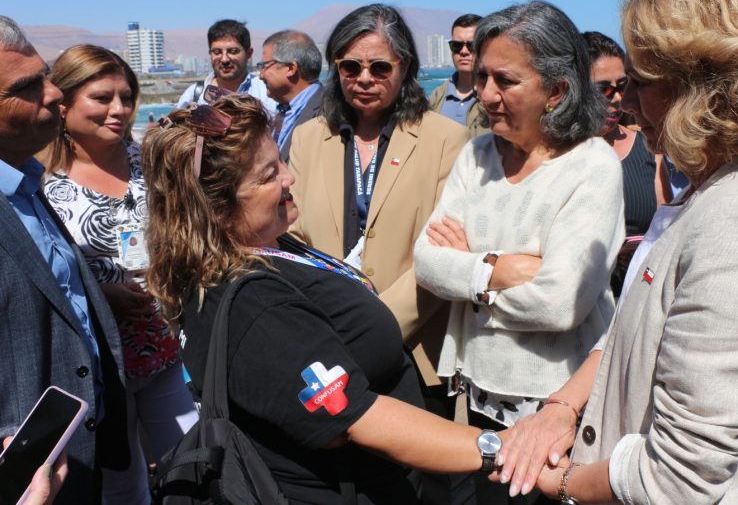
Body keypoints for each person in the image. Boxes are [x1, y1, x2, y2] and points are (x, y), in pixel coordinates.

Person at [496, 0, 738, 504]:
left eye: (641, 83)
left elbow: (681, 473)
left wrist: (560, 482)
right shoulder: (712, 192)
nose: (627, 103)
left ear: (704, 91)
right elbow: (637, 332)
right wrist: (561, 409)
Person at [143, 94, 510, 503]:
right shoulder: (255, 303)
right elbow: (356, 419)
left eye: (280, 162)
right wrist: (499, 450)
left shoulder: (269, 245)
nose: (289, 178)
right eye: (268, 176)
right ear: (215, 208)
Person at [414, 1, 624, 504]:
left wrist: (470, 279)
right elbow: (426, 261)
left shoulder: (591, 165)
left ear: (556, 91)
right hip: (479, 400)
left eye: (505, 80)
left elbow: (561, 303)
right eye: (482, 76)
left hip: (558, 409)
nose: (486, 94)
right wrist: (499, 269)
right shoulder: (477, 155)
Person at [287, 4, 468, 421]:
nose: (364, 78)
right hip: (326, 344)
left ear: (405, 67)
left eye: (380, 67)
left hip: (414, 350)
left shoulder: (447, 140)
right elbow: (292, 237)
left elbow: (444, 249)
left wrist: (371, 328)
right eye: (350, 67)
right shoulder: (308, 138)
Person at [41, 45, 198, 504]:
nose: (120, 109)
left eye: (126, 97)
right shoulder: (40, 182)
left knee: (191, 463)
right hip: (97, 368)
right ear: (63, 103)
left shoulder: (148, 161)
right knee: (121, 487)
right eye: (102, 97)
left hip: (165, 349)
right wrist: (100, 296)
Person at [0, 16, 128, 503]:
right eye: (27, 87)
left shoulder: (26, 184)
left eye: (46, 76)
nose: (54, 94)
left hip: (72, 459)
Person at [583, 31, 672, 296]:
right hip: (582, 297)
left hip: (636, 290)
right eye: (603, 89)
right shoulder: (556, 154)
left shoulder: (647, 147)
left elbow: (666, 228)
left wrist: (643, 247)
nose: (617, 98)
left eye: (623, 86)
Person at [175, 19, 276, 115]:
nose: (224, 59)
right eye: (217, 52)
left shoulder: (266, 93)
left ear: (249, 54)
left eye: (233, 51)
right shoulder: (194, 95)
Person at [257, 30, 324, 161]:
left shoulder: (329, 113)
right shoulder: (283, 111)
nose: (260, 75)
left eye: (264, 66)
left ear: (290, 68)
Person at [429, 14, 488, 137]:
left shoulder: (495, 98)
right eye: (457, 46)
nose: (463, 51)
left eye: (471, 45)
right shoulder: (437, 98)